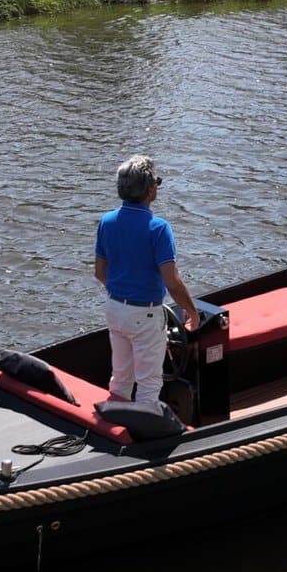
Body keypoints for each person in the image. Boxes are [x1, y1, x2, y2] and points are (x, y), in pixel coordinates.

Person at [93, 155, 199, 406]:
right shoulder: (158, 228)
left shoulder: (106, 222)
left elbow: (99, 272)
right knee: (150, 382)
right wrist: (191, 311)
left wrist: (123, 292)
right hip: (145, 314)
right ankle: (146, 436)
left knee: (120, 377)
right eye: (157, 183)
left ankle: (115, 424)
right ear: (150, 189)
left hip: (114, 308)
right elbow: (171, 281)